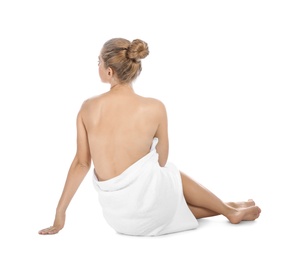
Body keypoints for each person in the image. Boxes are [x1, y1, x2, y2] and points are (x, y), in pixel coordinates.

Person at [38, 38, 261, 236]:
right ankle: (227, 208)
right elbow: (161, 163)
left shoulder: (88, 108)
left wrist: (60, 213)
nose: (98, 66)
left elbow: (81, 163)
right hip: (156, 207)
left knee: (159, 196)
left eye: (99, 62)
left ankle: (229, 208)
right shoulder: (154, 107)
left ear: (109, 71)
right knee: (170, 172)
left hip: (120, 220)